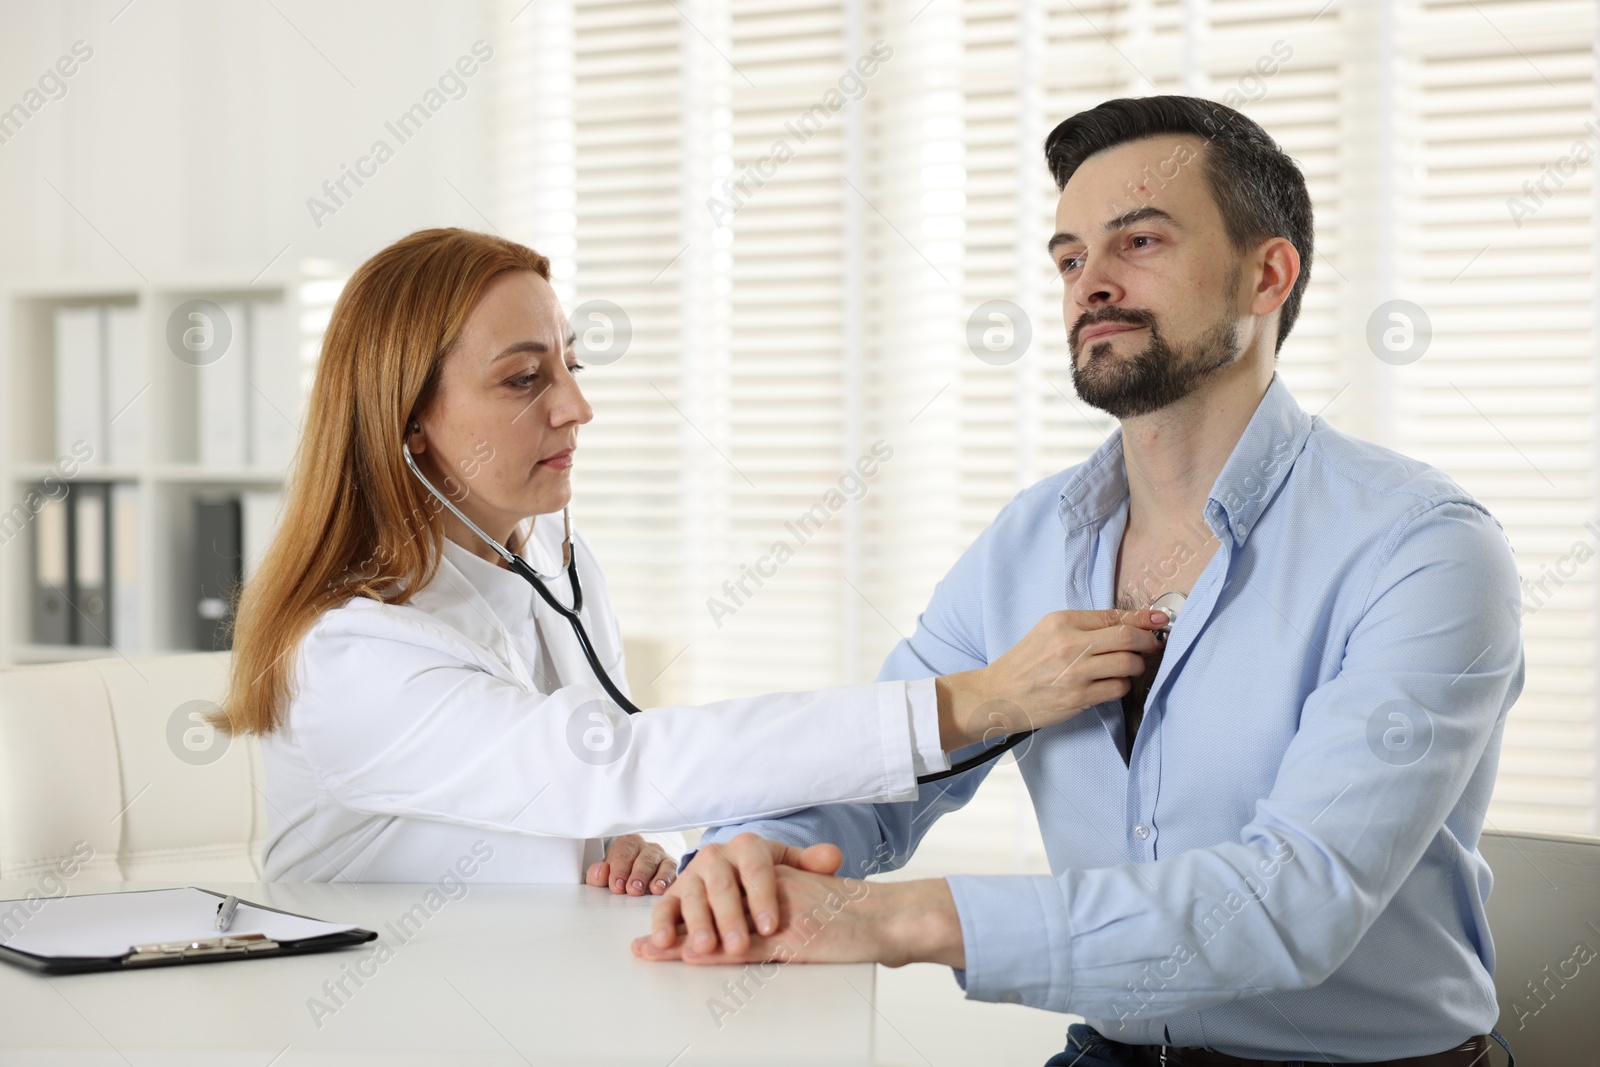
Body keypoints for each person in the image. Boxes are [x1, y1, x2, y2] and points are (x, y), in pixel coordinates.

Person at [633, 96, 1525, 1067]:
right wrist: (750, 854)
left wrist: (888, 921)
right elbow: (882, 773)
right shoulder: (1029, 540)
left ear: (1266, 274)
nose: (1087, 283)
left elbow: (1292, 901)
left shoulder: (1420, 549)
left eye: (1136, 241)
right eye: (1067, 258)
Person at [215, 227, 1169, 891]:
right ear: (409, 422)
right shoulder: (349, 649)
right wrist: (979, 699)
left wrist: (633, 844)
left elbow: (595, 799)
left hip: (535, 980)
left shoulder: (551, 557)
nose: (575, 408)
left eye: (570, 363)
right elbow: (614, 760)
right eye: (523, 378)